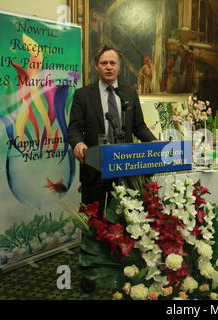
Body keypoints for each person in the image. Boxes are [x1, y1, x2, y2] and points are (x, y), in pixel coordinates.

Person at [67, 46, 158, 293]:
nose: (109, 67)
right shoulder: (83, 95)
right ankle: (90, 271)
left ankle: (124, 267)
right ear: (97, 66)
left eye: (113, 63)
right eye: (104, 63)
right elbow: (74, 128)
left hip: (125, 169)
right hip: (95, 167)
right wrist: (79, 143)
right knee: (93, 221)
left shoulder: (128, 92)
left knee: (126, 219)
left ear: (118, 66)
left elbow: (138, 126)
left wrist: (153, 142)